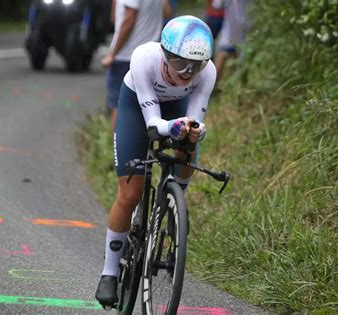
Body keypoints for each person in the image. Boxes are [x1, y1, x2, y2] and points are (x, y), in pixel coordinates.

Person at [95, 15, 216, 307]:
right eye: (180, 64)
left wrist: (194, 130)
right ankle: (109, 273)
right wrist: (171, 126)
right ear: (165, 53)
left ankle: (174, 202)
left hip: (175, 108)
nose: (188, 73)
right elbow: (153, 125)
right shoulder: (143, 58)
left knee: (188, 140)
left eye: (195, 65)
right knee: (131, 194)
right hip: (138, 107)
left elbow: (195, 120)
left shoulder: (208, 72)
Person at [101, 0, 164, 129]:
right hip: (152, 55)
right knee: (147, 107)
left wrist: (112, 54)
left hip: (126, 55)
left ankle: (116, 147)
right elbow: (167, 11)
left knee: (119, 106)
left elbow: (128, 20)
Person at [214, 0, 252, 82]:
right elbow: (218, 4)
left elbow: (217, 5)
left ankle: (227, 85)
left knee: (232, 55)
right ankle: (213, 85)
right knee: (226, 53)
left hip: (240, 25)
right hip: (235, 26)